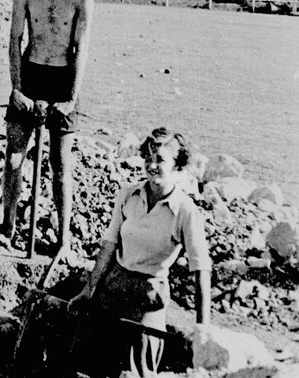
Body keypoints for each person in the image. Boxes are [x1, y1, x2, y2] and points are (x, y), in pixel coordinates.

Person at [68, 130, 210, 377]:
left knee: (138, 364)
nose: (152, 166)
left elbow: (201, 271)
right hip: (115, 285)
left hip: (149, 294)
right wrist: (87, 290)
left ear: (177, 166)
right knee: (93, 360)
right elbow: (109, 247)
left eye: (161, 160)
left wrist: (203, 328)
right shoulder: (127, 194)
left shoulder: (186, 211)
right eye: (149, 158)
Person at [0, 0, 94, 254]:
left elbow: (82, 47)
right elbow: (14, 40)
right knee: (14, 157)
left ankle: (63, 238)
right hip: (30, 74)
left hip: (62, 78)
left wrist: (71, 98)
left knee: (60, 165)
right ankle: (8, 227)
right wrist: (17, 89)